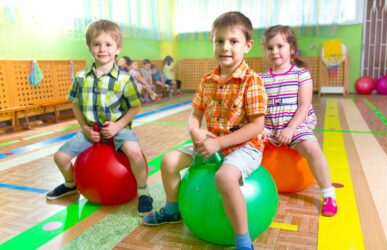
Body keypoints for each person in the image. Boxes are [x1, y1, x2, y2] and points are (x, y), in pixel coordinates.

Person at [143, 11, 267, 250]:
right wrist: (195, 131)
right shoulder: (207, 80)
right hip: (211, 142)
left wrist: (220, 144)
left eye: (233, 41)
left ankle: (242, 240)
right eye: (219, 41)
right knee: (168, 162)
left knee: (224, 177)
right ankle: (172, 209)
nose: (225, 47)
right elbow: (196, 114)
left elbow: (257, 126)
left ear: (248, 45)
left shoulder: (252, 81)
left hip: (245, 147)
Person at [46, 19, 153, 216]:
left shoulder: (125, 78)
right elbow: (75, 104)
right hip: (91, 132)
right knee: (59, 157)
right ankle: (71, 184)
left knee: (134, 152)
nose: (102, 49)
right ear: (89, 48)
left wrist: (117, 126)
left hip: (119, 129)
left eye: (108, 44)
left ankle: (144, 192)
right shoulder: (80, 78)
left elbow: (136, 106)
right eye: (96, 44)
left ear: (118, 48)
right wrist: (85, 129)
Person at [260, 25, 337, 217]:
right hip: (269, 127)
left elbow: (304, 105)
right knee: (244, 145)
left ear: (291, 48)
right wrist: (261, 130)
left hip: (295, 125)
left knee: (312, 148)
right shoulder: (260, 78)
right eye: (270, 48)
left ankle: (328, 193)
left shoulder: (301, 74)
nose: (275, 51)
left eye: (280, 46)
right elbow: (258, 109)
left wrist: (290, 129)